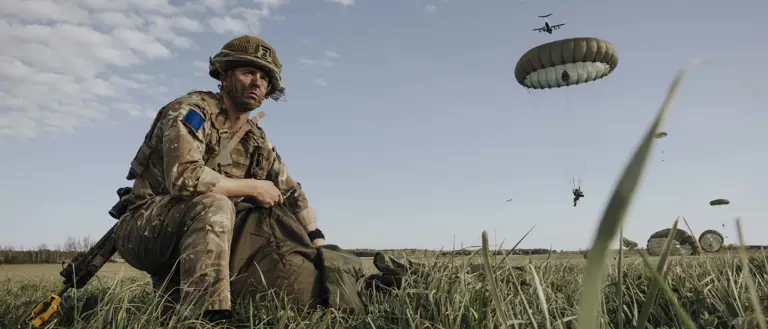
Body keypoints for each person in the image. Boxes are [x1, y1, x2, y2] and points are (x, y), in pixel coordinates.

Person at [113, 35, 326, 324]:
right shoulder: (191, 110)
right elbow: (184, 176)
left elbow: (292, 192)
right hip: (145, 227)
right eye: (248, 72)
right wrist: (251, 187)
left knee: (167, 314)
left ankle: (190, 307)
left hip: (200, 237)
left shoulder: (256, 141)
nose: (257, 82)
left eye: (264, 77)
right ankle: (209, 316)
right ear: (224, 75)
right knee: (217, 204)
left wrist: (317, 241)